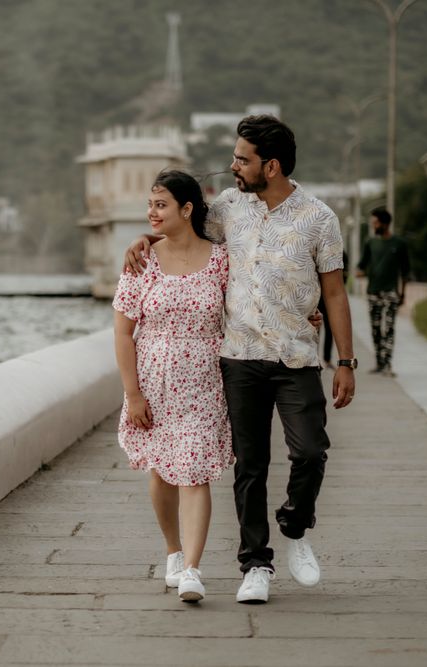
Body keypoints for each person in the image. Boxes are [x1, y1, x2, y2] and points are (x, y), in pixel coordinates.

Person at [124, 115, 356, 605]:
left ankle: (295, 525)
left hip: (296, 357)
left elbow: (334, 294)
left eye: (241, 159)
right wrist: (143, 240)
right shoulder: (229, 209)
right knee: (249, 466)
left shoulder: (320, 219)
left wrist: (347, 361)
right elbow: (181, 232)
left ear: (270, 166)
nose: (232, 166)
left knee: (310, 451)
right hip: (238, 359)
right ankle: (256, 564)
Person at [113, 170, 233, 603]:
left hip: (205, 381)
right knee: (163, 472)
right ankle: (173, 550)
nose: (152, 212)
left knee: (194, 470)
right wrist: (133, 394)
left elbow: (246, 305)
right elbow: (123, 332)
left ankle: (193, 570)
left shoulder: (221, 259)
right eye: (150, 205)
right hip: (153, 382)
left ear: (186, 209)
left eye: (161, 204)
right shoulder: (141, 262)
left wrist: (305, 317)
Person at [357, 208, 410, 376]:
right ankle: (379, 363)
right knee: (375, 329)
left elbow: (405, 271)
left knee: (388, 329)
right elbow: (360, 267)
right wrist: (362, 272)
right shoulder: (370, 243)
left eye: (376, 223)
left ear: (385, 223)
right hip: (373, 292)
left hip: (391, 293)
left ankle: (387, 365)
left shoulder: (399, 244)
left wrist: (403, 294)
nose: (373, 226)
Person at [317, 250, 349, 370]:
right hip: (317, 297)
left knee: (330, 329)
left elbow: (344, 275)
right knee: (315, 328)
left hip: (330, 297)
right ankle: (315, 358)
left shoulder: (341, 253)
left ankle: (327, 358)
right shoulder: (317, 248)